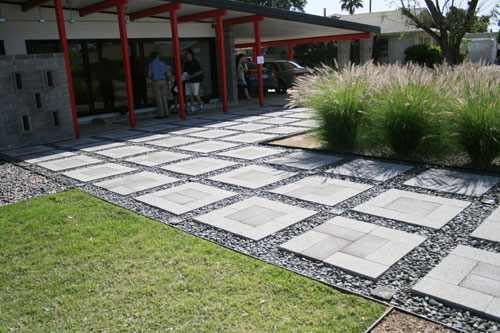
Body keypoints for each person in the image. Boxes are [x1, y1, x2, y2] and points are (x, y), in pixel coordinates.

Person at [147, 51, 170, 119]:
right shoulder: (163, 63)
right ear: (158, 56)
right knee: (164, 97)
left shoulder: (151, 64)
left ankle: (161, 114)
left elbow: (149, 75)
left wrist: (152, 77)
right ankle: (166, 113)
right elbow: (167, 73)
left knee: (158, 98)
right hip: (163, 81)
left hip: (156, 81)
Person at [182, 48, 204, 113]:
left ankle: (201, 104)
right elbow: (185, 71)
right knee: (190, 94)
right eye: (185, 53)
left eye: (187, 53)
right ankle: (192, 107)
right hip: (188, 80)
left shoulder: (195, 61)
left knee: (195, 94)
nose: (186, 55)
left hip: (195, 80)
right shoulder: (186, 62)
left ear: (191, 54)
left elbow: (200, 71)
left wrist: (192, 76)